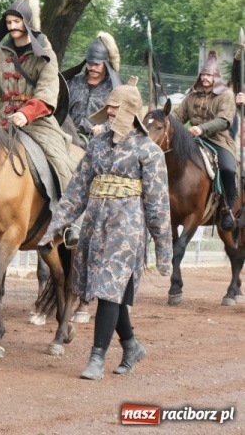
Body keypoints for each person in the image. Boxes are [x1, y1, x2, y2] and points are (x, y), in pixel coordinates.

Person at [40, 83, 171, 380]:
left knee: (110, 288)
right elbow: (76, 191)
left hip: (127, 231)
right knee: (106, 292)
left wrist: (164, 252)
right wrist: (54, 228)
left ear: (129, 109)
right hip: (94, 230)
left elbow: (158, 205)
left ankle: (96, 358)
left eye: (114, 106)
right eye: (109, 105)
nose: (108, 110)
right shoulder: (96, 145)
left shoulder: (148, 151)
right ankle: (132, 345)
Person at [0, 0, 76, 190]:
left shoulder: (46, 55)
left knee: (61, 164)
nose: (12, 26)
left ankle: (65, 214)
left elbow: (47, 92)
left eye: (17, 21)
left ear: (26, 22)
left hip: (38, 123)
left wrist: (26, 113)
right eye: (8, 22)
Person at [171, 50, 239, 230]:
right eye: (203, 74)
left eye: (209, 74)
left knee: (228, 169)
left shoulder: (226, 96)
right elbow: (178, 116)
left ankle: (228, 209)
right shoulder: (192, 95)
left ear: (216, 76)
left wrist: (202, 128)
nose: (205, 78)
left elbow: (224, 120)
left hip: (218, 141)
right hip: (192, 141)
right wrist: (164, 120)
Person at [67, 32, 121, 141]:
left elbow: (121, 119)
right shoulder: (73, 82)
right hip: (69, 138)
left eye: (97, 64)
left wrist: (104, 128)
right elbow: (62, 111)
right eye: (89, 63)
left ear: (105, 63)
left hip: (99, 142)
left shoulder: (116, 88)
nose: (92, 67)